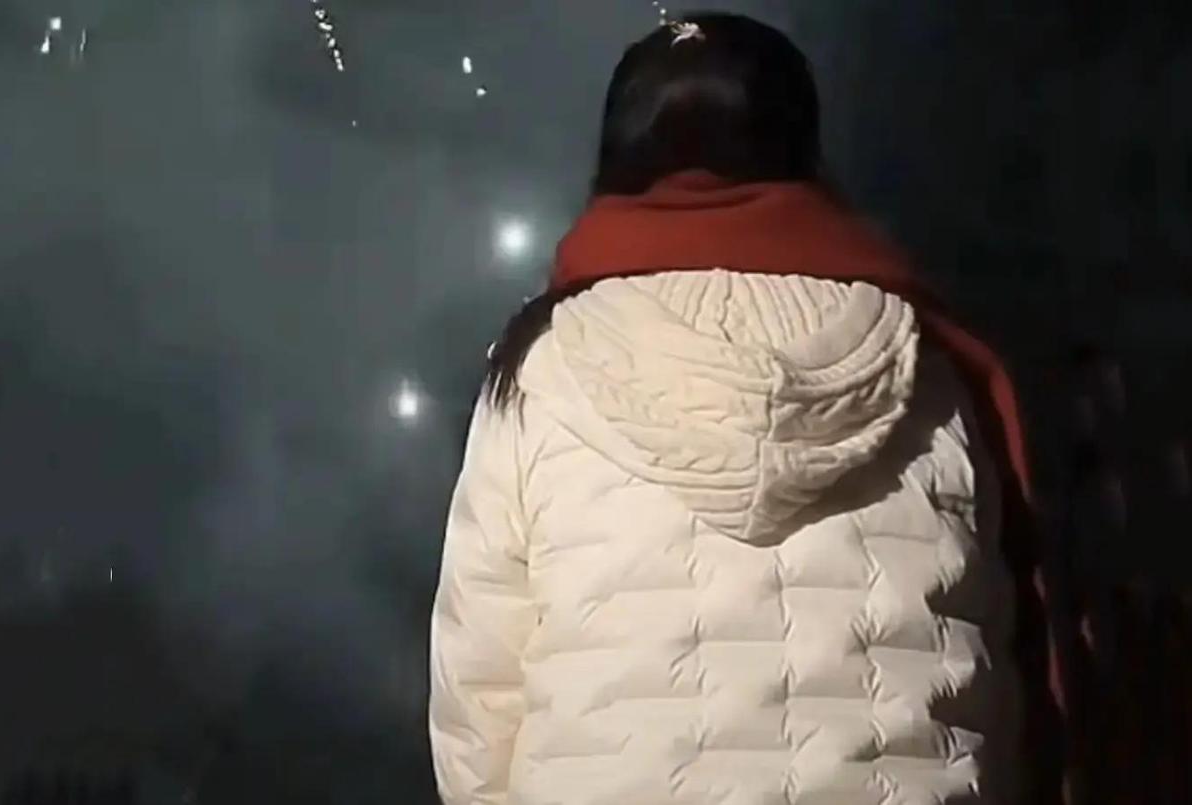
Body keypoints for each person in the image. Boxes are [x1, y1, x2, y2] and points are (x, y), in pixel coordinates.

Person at [429, 13, 1067, 805]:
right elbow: (999, 682)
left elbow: (479, 695)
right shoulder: (929, 369)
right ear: (805, 149)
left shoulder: (541, 367)